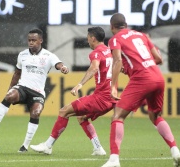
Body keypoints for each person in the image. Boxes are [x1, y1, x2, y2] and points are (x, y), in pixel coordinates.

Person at [101, 13, 180, 167]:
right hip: (158, 77)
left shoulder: (115, 39)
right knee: (155, 116)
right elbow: (159, 59)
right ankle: (175, 151)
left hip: (142, 79)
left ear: (112, 27)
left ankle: (114, 159)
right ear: (126, 24)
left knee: (117, 116)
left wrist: (113, 87)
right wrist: (132, 65)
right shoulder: (141, 35)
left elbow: (117, 61)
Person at [30, 27, 116, 155]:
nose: (88, 42)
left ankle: (48, 146)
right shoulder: (110, 51)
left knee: (64, 111)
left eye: (88, 39)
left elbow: (93, 68)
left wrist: (80, 84)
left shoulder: (96, 53)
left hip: (101, 98)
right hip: (110, 99)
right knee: (82, 117)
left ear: (93, 38)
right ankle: (98, 148)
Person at [0, 28, 69, 152]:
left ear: (41, 40)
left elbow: (58, 64)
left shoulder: (48, 55)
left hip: (38, 92)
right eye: (29, 40)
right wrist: (10, 89)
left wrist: (63, 68)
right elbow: (17, 74)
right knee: (9, 96)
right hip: (23, 88)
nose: (31, 42)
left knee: (35, 113)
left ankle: (24, 146)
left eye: (34, 40)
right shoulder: (22, 55)